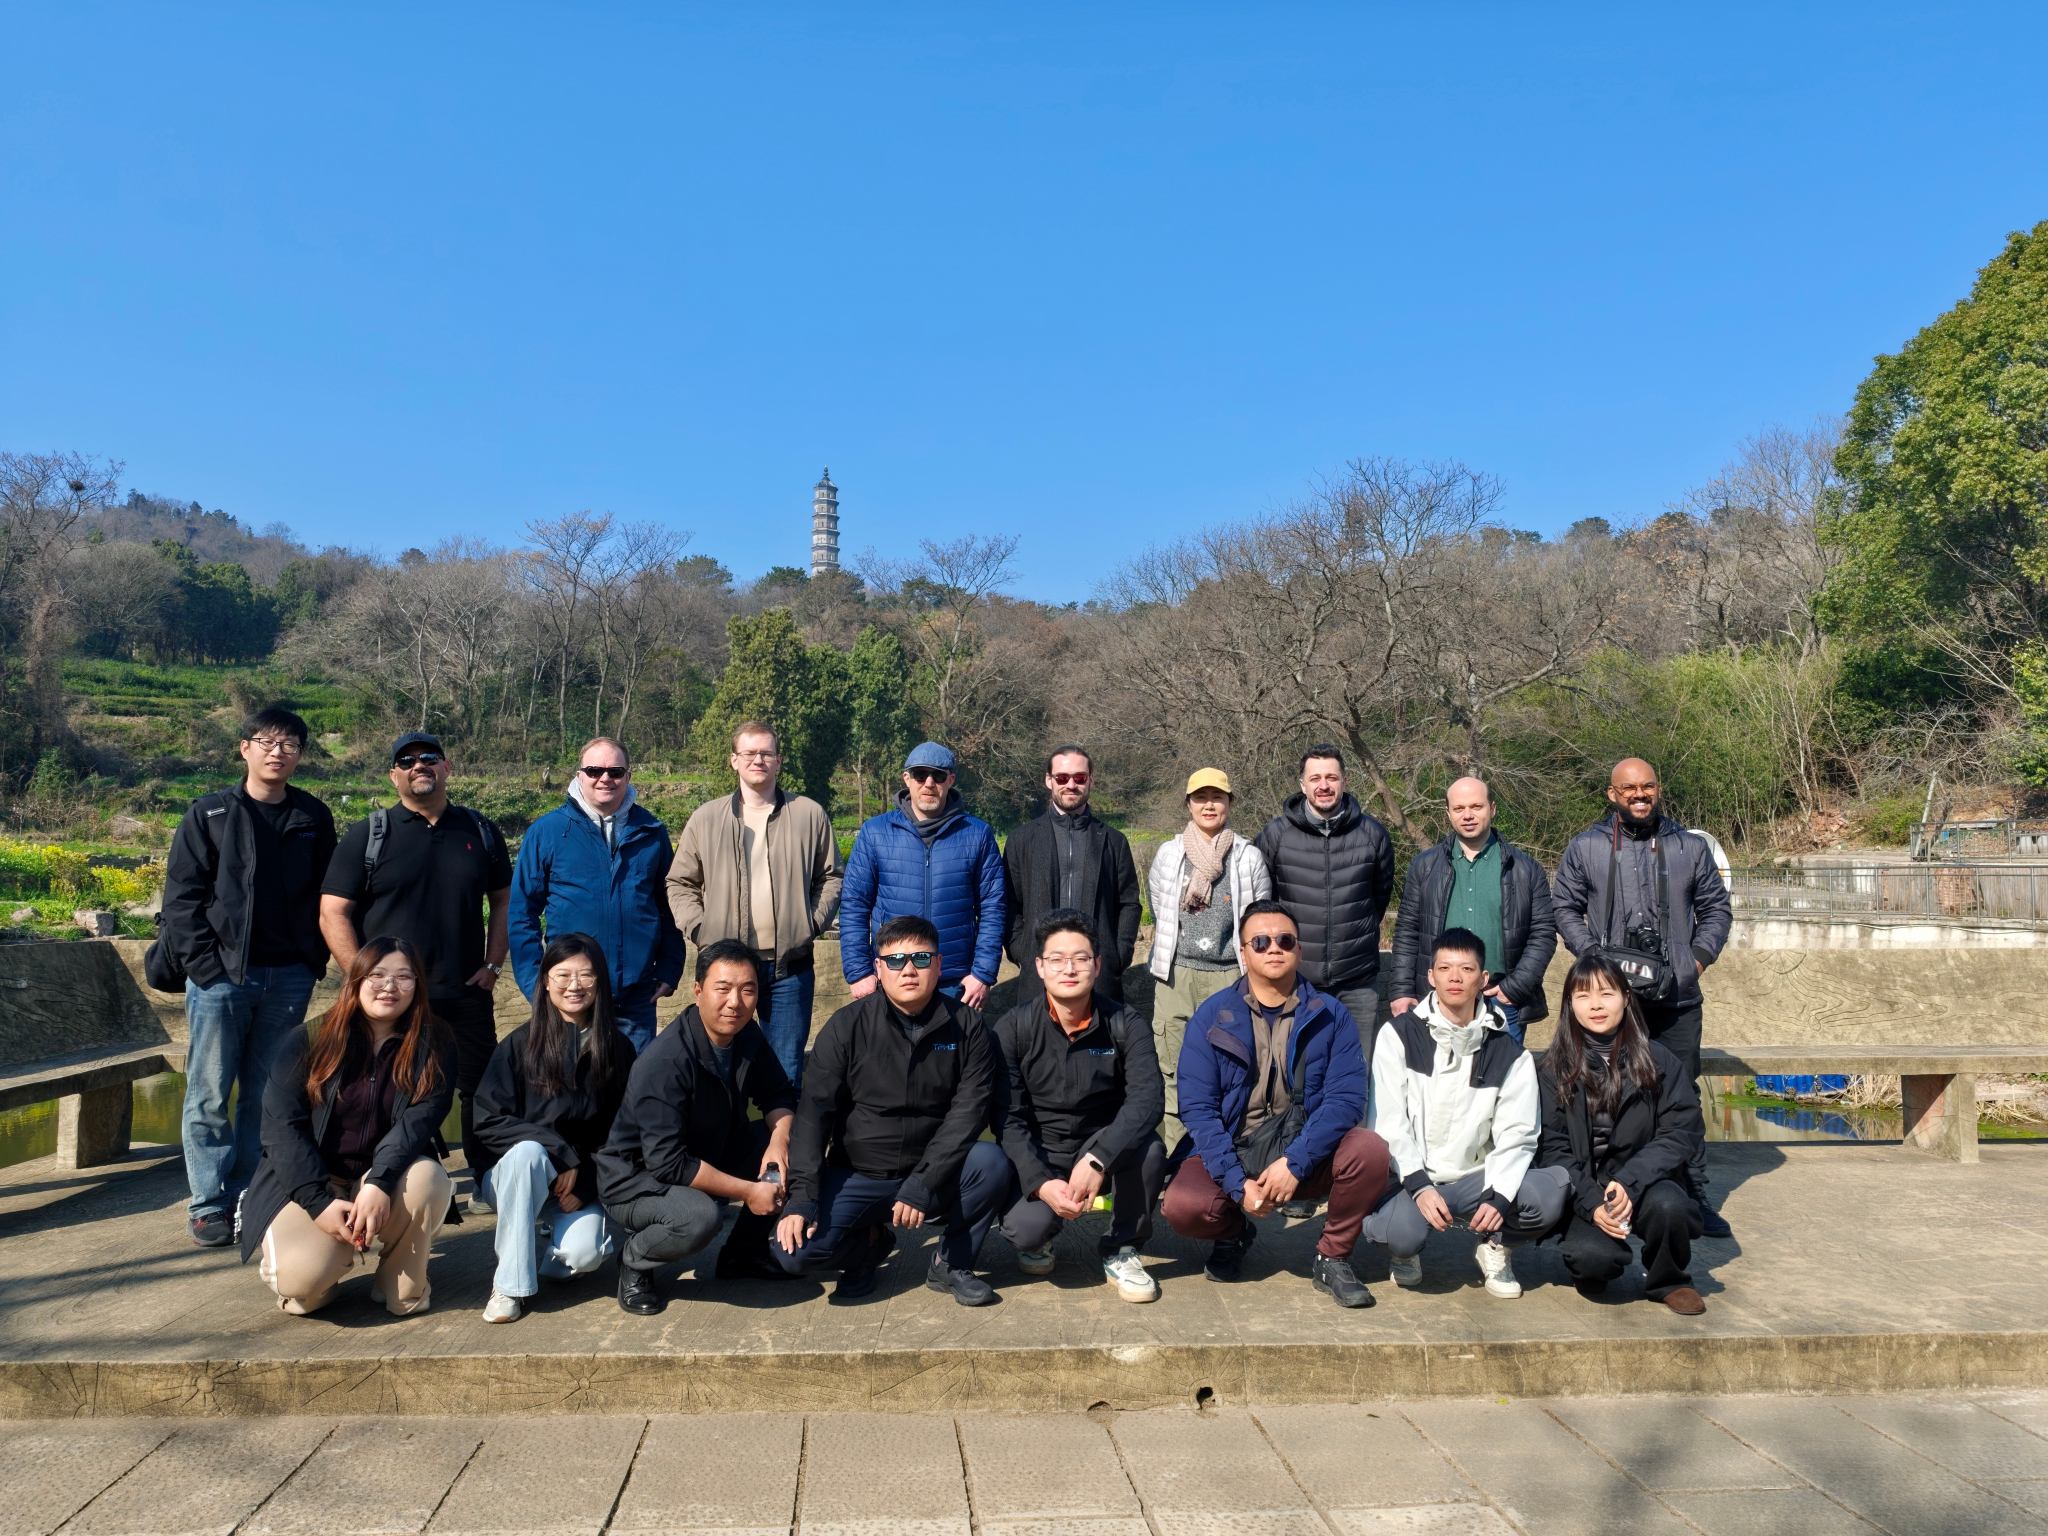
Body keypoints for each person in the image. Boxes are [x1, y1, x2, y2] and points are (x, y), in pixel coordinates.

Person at [160, 705, 337, 1247]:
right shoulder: (210, 813)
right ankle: (207, 1202)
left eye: (289, 744)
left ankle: (245, 1195)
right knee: (209, 1091)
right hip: (221, 977)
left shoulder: (312, 817)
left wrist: (312, 962)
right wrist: (206, 968)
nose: (278, 751)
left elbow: (327, 895)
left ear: (299, 756)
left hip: (287, 976)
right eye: (267, 741)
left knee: (265, 1092)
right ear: (245, 748)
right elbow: (181, 899)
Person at [1162, 901, 1395, 1309]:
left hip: (1304, 1147)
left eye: (1285, 940)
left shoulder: (1330, 1014)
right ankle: (1233, 1233)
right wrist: (1236, 1183)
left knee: (1369, 1151)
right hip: (1237, 1146)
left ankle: (1333, 1256)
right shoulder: (1212, 1017)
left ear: (1299, 951)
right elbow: (1199, 1110)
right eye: (1261, 941)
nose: (1274, 948)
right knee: (1184, 1205)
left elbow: (1345, 1100)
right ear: (1243, 952)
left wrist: (1294, 1164)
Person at [776, 915, 1010, 1306]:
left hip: (933, 1173)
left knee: (991, 1162)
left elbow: (968, 1116)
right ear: (878, 969)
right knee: (794, 1254)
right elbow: (814, 1116)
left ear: (938, 965)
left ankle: (952, 1262)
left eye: (920, 958)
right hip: (858, 1173)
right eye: (896, 960)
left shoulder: (969, 1028)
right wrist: (802, 1198)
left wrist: (923, 1181)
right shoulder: (846, 1027)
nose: (909, 970)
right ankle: (867, 1246)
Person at [1551, 757, 1733, 1237]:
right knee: (1598, 1092)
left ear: (1659, 789)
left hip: (1675, 996)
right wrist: (1594, 961)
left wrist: (1694, 961)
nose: (1639, 795)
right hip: (1610, 998)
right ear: (1611, 794)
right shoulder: (1587, 846)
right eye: (1628, 788)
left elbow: (1716, 909)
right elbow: (1563, 905)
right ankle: (1596, 1190)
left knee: (1682, 1094)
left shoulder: (1688, 847)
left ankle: (1692, 1192)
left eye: (1648, 786)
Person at [320, 731, 512, 1184]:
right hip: (393, 995)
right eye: (405, 761)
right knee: (391, 1087)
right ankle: (392, 1177)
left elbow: (503, 900)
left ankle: (486, 1178)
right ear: (393, 776)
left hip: (465, 989)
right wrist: (363, 979)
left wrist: (492, 964)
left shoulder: (479, 830)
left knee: (480, 1089)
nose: (418, 765)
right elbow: (333, 912)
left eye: (429, 758)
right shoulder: (369, 835)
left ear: (447, 768)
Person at [238, 938, 454, 1317]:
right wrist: (318, 1202)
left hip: (383, 1177)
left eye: (404, 977)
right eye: (377, 975)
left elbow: (419, 1122)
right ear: (355, 981)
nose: (390, 987)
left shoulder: (435, 1042)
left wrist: (379, 1182)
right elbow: (281, 1129)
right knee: (301, 1289)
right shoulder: (308, 1040)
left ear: (418, 986)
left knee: (429, 1179)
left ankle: (397, 1282)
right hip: (312, 1182)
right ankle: (325, 1266)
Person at [595, 939, 798, 1316]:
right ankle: (634, 1260)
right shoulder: (666, 1060)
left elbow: (778, 1095)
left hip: (711, 1149)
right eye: (723, 989)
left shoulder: (745, 1035)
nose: (734, 1002)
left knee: (796, 1151)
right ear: (698, 991)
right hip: (637, 1180)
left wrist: (779, 1141)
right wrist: (749, 1191)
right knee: (700, 1217)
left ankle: (742, 1256)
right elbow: (668, 1164)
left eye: (747, 990)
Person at [1363, 928, 1569, 1299]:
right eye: (1445, 968)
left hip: (1477, 1178)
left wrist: (1501, 1197)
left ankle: (1495, 1247)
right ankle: (1404, 1253)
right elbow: (1388, 1122)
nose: (1455, 978)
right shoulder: (1398, 1036)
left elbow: (1519, 1133)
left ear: (1483, 979)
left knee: (1549, 1193)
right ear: (1431, 976)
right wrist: (1419, 1185)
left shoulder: (1510, 1053)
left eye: (1466, 969)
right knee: (1402, 1234)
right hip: (1414, 1179)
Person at [991, 909, 1166, 1303]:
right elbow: (1008, 1117)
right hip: (1044, 1149)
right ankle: (1041, 1237)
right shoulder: (1014, 1027)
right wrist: (1039, 1181)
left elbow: (1147, 1099)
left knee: (1151, 1149)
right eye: (1056, 959)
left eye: (1081, 958)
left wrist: (1098, 1159)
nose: (1068, 968)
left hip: (1102, 1144)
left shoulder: (1125, 1022)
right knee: (1024, 1230)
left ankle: (1122, 1247)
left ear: (1097, 964)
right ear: (1039, 966)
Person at [470, 933, 636, 1323]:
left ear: (600, 983)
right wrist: (558, 1153)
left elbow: (626, 1133)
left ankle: (536, 1251)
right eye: (562, 975)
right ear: (545, 981)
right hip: (512, 1178)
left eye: (586, 976)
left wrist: (586, 1181)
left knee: (586, 1255)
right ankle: (509, 1287)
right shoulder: (519, 1045)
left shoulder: (617, 1050)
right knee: (529, 1152)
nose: (574, 986)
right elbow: (486, 1118)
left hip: (570, 1188)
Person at [667, 721, 843, 1086]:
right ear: (734, 760)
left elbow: (831, 877)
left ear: (779, 761)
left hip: (788, 971)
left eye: (766, 753)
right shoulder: (706, 818)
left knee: (785, 1072)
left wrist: (809, 924)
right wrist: (702, 931)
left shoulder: (809, 814)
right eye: (749, 753)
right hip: (724, 969)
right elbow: (680, 882)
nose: (758, 760)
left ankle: (779, 1143)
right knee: (719, 1069)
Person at [1536, 953, 1708, 1314]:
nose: (1596, 1005)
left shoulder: (1659, 1061)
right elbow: (1552, 1148)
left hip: (1644, 1184)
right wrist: (1592, 1201)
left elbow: (1680, 1131)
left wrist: (1630, 1181)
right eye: (1583, 996)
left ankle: (1669, 1280)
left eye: (1606, 994)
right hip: (1585, 1188)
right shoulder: (1552, 1070)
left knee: (1670, 1206)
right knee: (1592, 1261)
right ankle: (1597, 1256)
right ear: (1570, 1005)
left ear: (1626, 998)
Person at [508, 737, 683, 1053]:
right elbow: (522, 913)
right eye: (594, 770)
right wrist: (535, 982)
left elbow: (667, 905)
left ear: (628, 776)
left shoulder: (651, 831)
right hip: (572, 998)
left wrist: (670, 967)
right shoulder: (547, 832)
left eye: (615, 771)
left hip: (635, 998)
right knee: (573, 1091)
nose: (605, 778)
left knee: (634, 1093)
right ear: (579, 776)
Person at [1146, 768, 1272, 1150]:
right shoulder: (1169, 855)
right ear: (1189, 804)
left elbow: (1259, 919)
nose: (1209, 805)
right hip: (1176, 976)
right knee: (1172, 1067)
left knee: (1233, 1069)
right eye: (1201, 798)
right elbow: (1158, 908)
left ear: (1230, 803)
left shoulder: (1247, 857)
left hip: (1230, 977)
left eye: (1217, 797)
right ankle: (1176, 1156)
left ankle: (1225, 1152)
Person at [1253, 744, 1395, 1069]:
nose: (1324, 785)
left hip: (1358, 980)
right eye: (1315, 777)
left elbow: (1378, 897)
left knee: (1354, 1073)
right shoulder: (1276, 836)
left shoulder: (1372, 835)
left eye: (1332, 777)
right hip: (1295, 980)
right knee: (1296, 1073)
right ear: (1302, 784)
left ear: (1345, 781)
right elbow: (1264, 906)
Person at [1389, 776, 1557, 1047]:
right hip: (1438, 998)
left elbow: (1543, 934)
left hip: (1501, 1001)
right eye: (1459, 808)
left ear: (1492, 808)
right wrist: (1401, 990)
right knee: (1437, 1083)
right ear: (1448, 813)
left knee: (1500, 1084)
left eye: (1476, 807)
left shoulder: (1526, 869)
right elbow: (1407, 932)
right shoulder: (1424, 867)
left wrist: (1515, 988)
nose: (1467, 815)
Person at [838, 742, 1005, 1009]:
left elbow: (993, 908)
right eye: (920, 775)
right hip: (892, 977)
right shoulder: (875, 833)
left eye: (938, 775)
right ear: (907, 779)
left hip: (956, 983)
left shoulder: (977, 835)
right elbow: (854, 905)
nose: (929, 783)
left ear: (950, 780)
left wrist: (982, 974)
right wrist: (859, 972)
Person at [1002, 744, 1142, 1002]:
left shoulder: (1114, 841)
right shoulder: (1021, 840)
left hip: (1098, 974)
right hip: (1039, 974)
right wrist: (1021, 949)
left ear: (1091, 781)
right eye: (1062, 778)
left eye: (1079, 778)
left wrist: (1117, 954)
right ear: (1049, 780)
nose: (1071, 785)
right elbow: (1009, 904)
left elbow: (1129, 904)